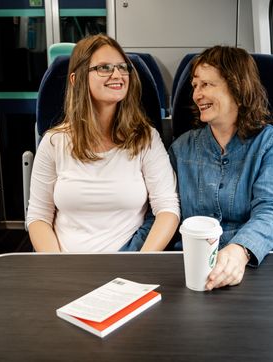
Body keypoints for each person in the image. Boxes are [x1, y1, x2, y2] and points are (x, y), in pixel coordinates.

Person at [26, 34, 180, 252]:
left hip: (128, 258)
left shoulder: (145, 138)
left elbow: (167, 209)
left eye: (122, 67)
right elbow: (38, 216)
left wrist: (142, 260)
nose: (117, 74)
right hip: (64, 261)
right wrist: (57, 265)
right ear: (76, 79)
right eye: (104, 68)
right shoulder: (54, 142)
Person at [169, 46, 273, 290]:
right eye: (195, 86)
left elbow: (272, 210)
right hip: (197, 265)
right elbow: (165, 212)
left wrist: (240, 250)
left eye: (207, 84)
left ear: (237, 89)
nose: (197, 95)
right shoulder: (181, 149)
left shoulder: (270, 142)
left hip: (262, 260)